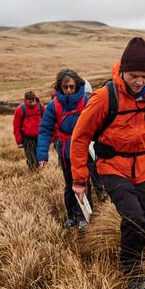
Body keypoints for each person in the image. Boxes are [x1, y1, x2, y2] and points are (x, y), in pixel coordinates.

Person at [70, 37, 145, 289]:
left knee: (143, 220)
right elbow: (80, 137)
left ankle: (134, 259)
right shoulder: (105, 97)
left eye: (144, 76)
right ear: (122, 71)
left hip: (142, 168)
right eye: (134, 76)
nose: (139, 81)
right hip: (112, 168)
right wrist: (80, 179)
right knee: (134, 217)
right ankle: (132, 273)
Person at [36, 69, 90, 228]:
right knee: (69, 185)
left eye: (71, 87)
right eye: (65, 87)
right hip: (65, 151)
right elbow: (45, 130)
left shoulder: (86, 102)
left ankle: (84, 217)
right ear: (59, 87)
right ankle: (72, 216)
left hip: (84, 150)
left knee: (85, 183)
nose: (68, 90)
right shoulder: (54, 105)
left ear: (77, 85)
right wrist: (42, 155)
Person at [12, 90, 44, 172]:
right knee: (31, 157)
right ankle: (33, 172)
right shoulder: (20, 109)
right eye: (30, 102)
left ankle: (37, 171)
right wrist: (19, 141)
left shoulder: (41, 107)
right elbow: (16, 126)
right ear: (25, 100)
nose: (33, 103)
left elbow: (47, 121)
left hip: (39, 136)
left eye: (33, 101)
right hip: (27, 138)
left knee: (39, 157)